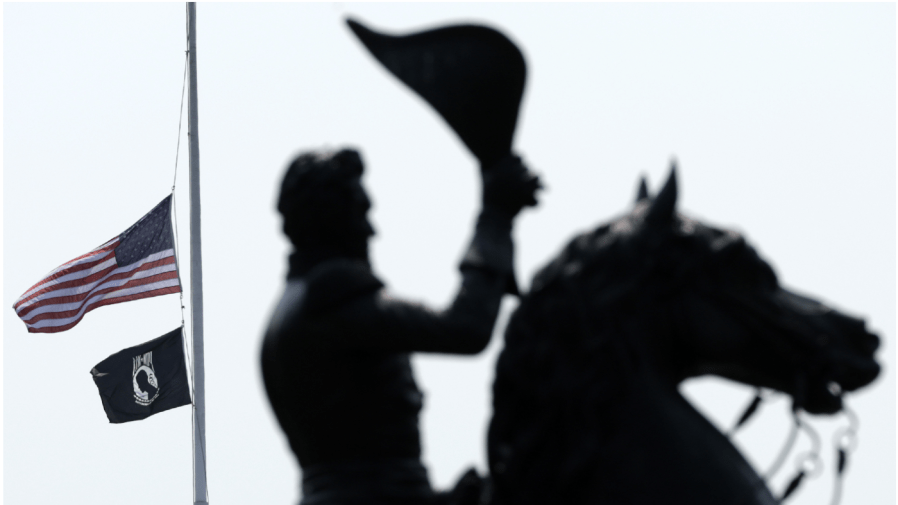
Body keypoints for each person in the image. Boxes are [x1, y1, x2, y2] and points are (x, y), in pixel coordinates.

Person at [261, 148, 540, 505]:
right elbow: (466, 327)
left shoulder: (287, 310)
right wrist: (496, 217)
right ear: (335, 219)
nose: (371, 230)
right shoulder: (330, 299)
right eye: (361, 212)